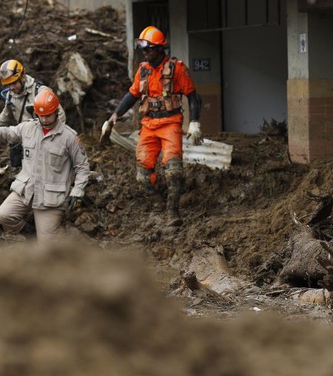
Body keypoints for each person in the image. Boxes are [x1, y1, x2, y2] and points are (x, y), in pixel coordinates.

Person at [102, 25, 202, 226]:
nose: (145, 53)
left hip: (170, 123)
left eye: (149, 49)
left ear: (160, 48)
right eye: (143, 50)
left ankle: (172, 212)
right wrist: (114, 116)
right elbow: (132, 95)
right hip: (148, 125)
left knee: (174, 170)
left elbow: (193, 95)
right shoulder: (143, 71)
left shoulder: (177, 68)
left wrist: (195, 122)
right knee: (143, 177)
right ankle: (158, 202)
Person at [0, 89, 90, 243]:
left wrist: (77, 191)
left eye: (48, 115)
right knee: (4, 215)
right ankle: (29, 235)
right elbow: (9, 132)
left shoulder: (69, 137)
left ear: (56, 111)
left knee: (47, 246)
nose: (44, 119)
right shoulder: (28, 128)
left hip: (50, 198)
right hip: (25, 190)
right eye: (40, 115)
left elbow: (82, 167)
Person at [0, 59, 66, 168]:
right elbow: (5, 117)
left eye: (14, 83)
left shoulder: (40, 92)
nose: (11, 87)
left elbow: (60, 115)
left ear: (23, 77)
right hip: (24, 140)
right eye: (8, 85)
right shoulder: (10, 95)